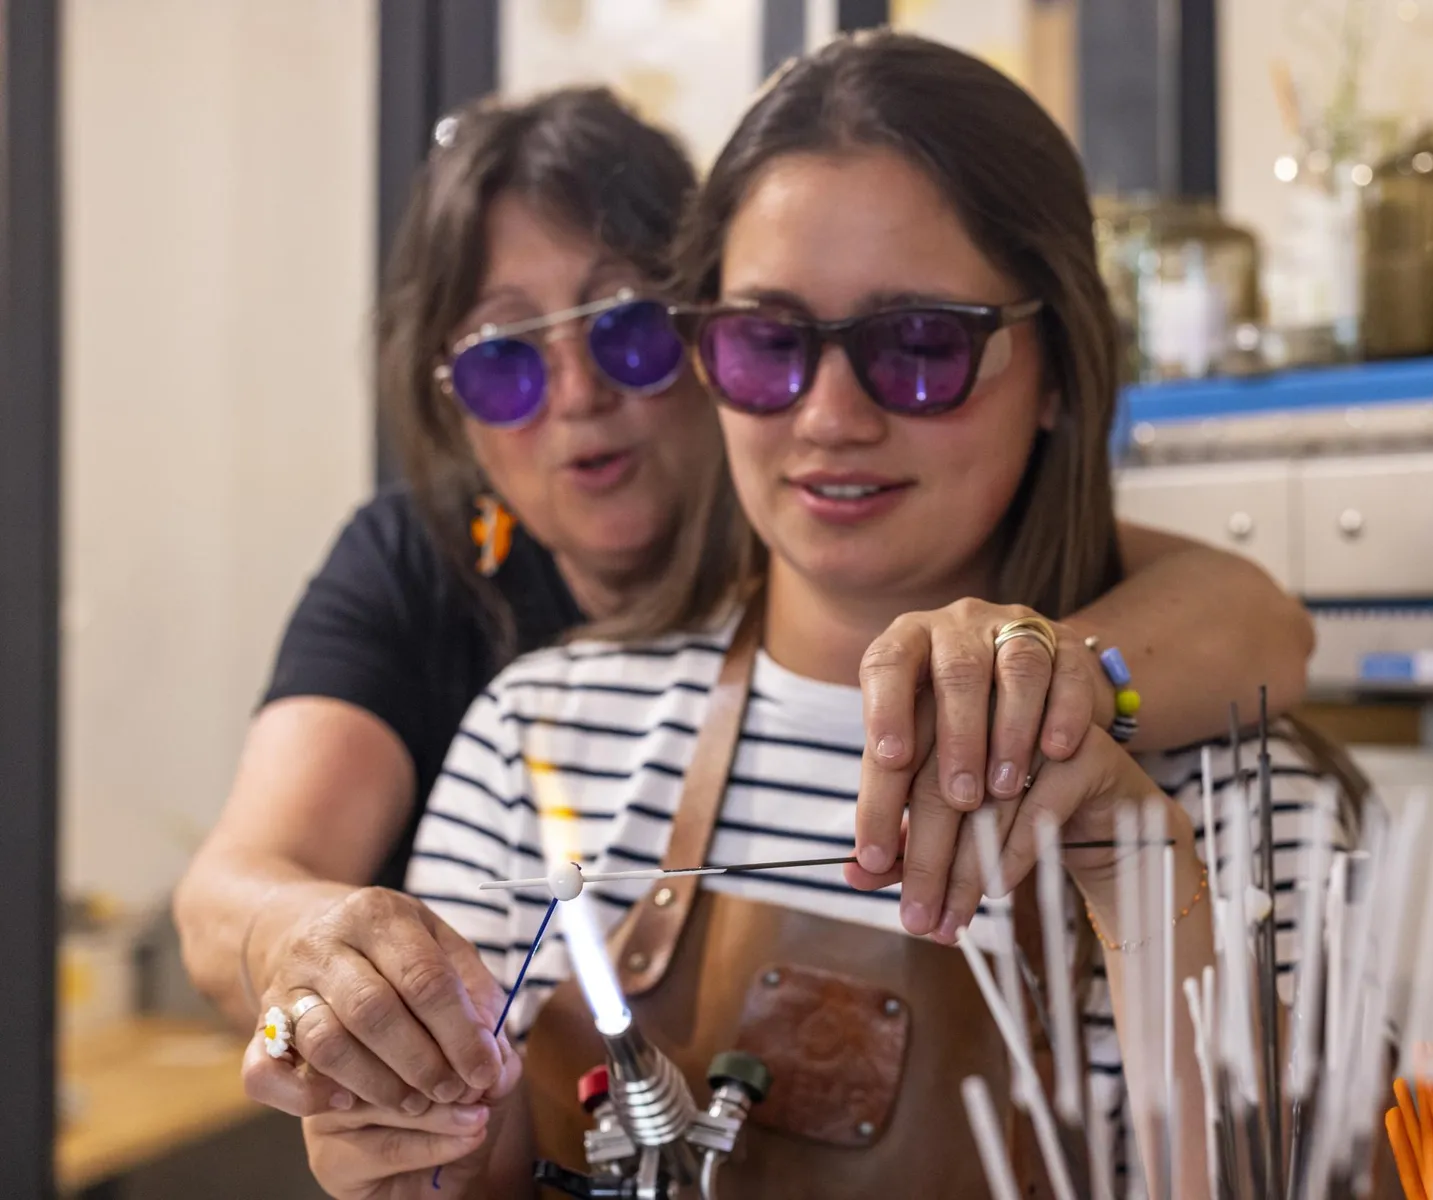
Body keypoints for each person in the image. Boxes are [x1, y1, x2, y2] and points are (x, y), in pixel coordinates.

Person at [290, 33, 1356, 1198]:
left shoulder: (1240, 803)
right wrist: (409, 1155)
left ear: (1056, 368)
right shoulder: (534, 734)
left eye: (919, 345)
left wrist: (1137, 880)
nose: (831, 416)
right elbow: (466, 1156)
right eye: (769, 343)